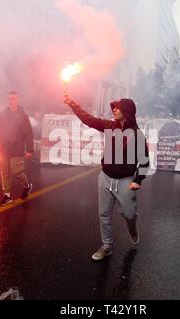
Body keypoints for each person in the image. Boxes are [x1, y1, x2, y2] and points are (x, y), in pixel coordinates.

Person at [63, 95, 149, 261]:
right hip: (105, 177)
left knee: (129, 214)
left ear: (128, 111)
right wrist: (72, 104)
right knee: (104, 215)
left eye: (118, 107)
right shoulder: (109, 126)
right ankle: (107, 246)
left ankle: (132, 228)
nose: (114, 110)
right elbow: (88, 119)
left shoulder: (137, 135)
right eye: (114, 107)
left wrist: (138, 180)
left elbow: (145, 161)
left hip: (126, 181)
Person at [0, 91, 34, 207]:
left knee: (16, 172)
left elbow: (28, 133)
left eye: (13, 99)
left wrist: (29, 149)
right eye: (9, 99)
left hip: (16, 149)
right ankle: (7, 196)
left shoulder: (23, 116)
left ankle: (27, 186)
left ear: (17, 100)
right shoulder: (3, 114)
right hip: (4, 148)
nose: (10, 101)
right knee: (5, 172)